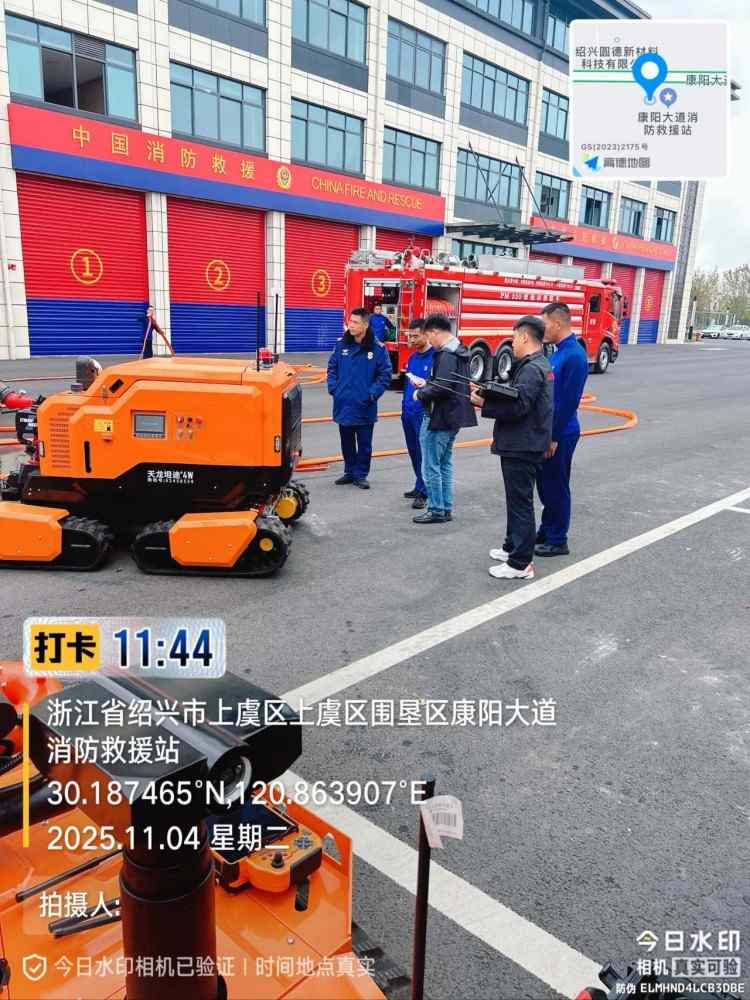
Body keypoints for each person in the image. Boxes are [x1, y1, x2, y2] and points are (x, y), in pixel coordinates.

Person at [471, 316, 553, 581]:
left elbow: (519, 407)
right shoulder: (536, 364)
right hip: (523, 442)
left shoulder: (532, 368)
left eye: (515, 337)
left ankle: (520, 563)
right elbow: (517, 396)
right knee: (516, 501)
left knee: (520, 503)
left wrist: (484, 404)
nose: (513, 342)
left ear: (525, 337)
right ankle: (512, 547)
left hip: (523, 444)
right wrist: (490, 392)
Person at [411, 314, 477, 524]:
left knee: (431, 465)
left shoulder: (446, 354)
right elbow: (447, 383)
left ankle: (436, 509)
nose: (430, 342)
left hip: (439, 417)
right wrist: (428, 384)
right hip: (453, 416)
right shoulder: (459, 350)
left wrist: (421, 393)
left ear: (435, 332)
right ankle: (444, 507)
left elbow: (443, 387)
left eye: (429, 337)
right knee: (444, 464)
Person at [535, 301, 589, 557]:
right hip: (549, 430)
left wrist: (553, 436)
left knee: (556, 485)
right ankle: (547, 530)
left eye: (544, 323)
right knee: (546, 484)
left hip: (561, 432)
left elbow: (569, 401)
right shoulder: (557, 352)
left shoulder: (574, 355)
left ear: (557, 324)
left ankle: (558, 539)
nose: (541, 329)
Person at [326, 307, 392, 490]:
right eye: (350, 321)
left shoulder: (377, 349)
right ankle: (349, 471)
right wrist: (334, 388)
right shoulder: (342, 345)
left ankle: (361, 474)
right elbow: (332, 368)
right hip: (344, 402)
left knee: (364, 443)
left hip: (365, 404)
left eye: (355, 322)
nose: (351, 325)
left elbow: (384, 375)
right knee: (346, 441)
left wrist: (372, 394)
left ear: (365, 325)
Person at [401, 319, 433, 510]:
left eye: (415, 336)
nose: (411, 340)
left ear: (426, 335)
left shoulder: (435, 358)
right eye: (410, 336)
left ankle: (424, 490)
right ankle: (418, 483)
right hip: (408, 411)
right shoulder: (413, 358)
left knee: (424, 452)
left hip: (423, 412)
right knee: (413, 450)